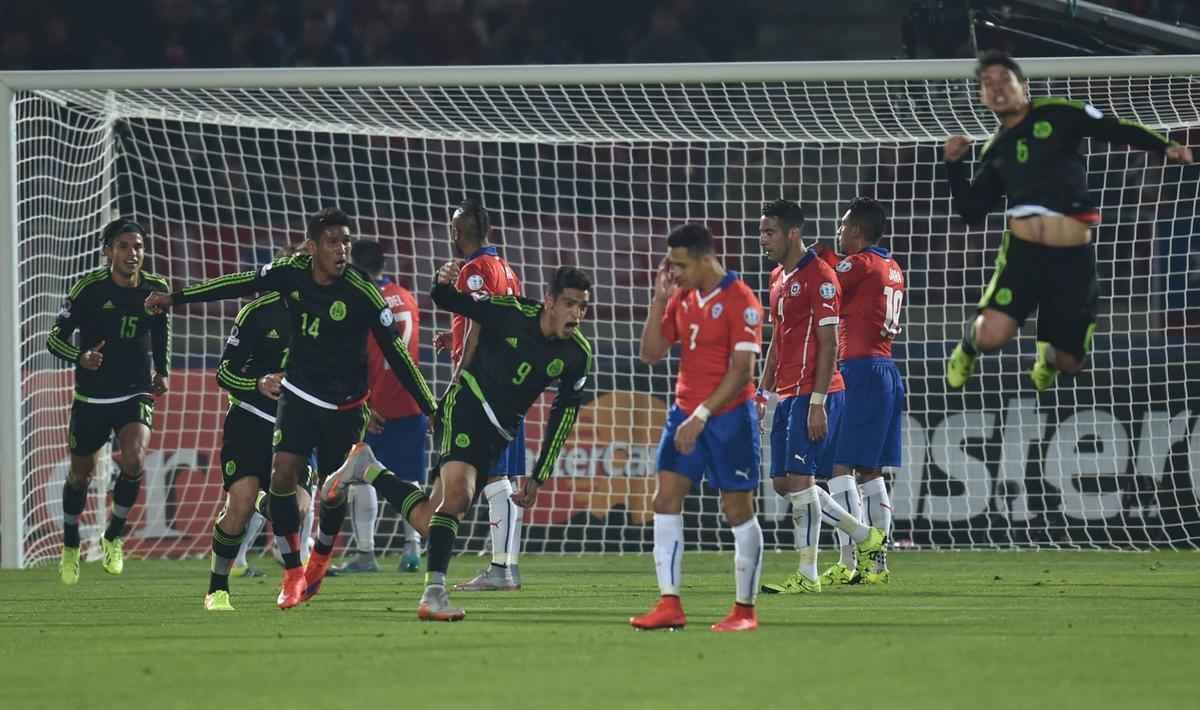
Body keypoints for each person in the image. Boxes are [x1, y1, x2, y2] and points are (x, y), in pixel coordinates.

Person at [145, 208, 437, 609]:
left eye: (347, 241)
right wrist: (176, 298)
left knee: (332, 493)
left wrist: (430, 406)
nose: (343, 249)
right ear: (313, 248)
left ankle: (320, 556)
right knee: (277, 476)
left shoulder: (362, 291)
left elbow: (397, 356)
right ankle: (285, 574)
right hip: (290, 402)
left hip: (345, 406)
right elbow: (237, 284)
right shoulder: (284, 282)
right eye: (333, 242)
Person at [318, 264, 593, 621]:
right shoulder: (510, 312)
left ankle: (367, 468)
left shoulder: (577, 354)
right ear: (550, 302)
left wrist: (540, 474)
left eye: (583, 307)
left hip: (498, 434)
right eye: (570, 304)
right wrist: (441, 283)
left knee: (429, 522)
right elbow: (451, 301)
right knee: (459, 497)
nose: (577, 314)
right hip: (465, 407)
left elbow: (563, 415)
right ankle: (434, 594)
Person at [944, 50, 1194, 392]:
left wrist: (1163, 145)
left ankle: (1047, 357)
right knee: (990, 337)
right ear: (982, 97)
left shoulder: (1059, 112)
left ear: (1024, 86)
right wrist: (953, 165)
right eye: (988, 83)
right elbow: (972, 212)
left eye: (1005, 79)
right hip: (1023, 256)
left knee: (1069, 363)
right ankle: (966, 349)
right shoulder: (995, 149)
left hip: (1072, 259)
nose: (997, 88)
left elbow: (1112, 128)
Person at [631, 223, 764, 632]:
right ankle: (669, 603)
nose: (674, 272)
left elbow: (743, 371)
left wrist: (702, 415)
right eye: (670, 265)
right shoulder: (682, 297)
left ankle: (744, 612)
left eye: (680, 264)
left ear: (706, 259)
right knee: (664, 499)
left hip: (729, 419)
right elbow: (650, 353)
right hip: (684, 412)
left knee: (737, 509)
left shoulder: (742, 300)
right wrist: (659, 299)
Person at [753, 201, 885, 596]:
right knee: (783, 484)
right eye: (761, 232)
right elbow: (777, 340)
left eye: (769, 232)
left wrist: (817, 402)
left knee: (801, 480)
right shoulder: (778, 277)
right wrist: (763, 392)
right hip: (787, 392)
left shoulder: (822, 277)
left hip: (815, 393)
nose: (763, 240)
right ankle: (865, 536)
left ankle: (807, 574)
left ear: (792, 233)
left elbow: (829, 344)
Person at [48, 218, 170, 585]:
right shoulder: (89, 289)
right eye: (124, 246)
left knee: (134, 459)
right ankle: (71, 545)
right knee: (80, 475)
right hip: (92, 395)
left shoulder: (156, 288)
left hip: (135, 390)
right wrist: (80, 356)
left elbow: (162, 331)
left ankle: (113, 536)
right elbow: (54, 339)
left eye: (138, 247)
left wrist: (163, 370)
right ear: (108, 251)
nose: (133, 253)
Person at [439, 198, 528, 592]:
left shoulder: (473, 270)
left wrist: (459, 375)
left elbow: (479, 324)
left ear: (457, 232)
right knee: (497, 474)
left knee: (493, 475)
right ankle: (505, 567)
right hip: (506, 380)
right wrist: (454, 338)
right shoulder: (506, 268)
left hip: (484, 383)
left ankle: (501, 570)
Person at [206, 285, 314, 610]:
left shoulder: (328, 311)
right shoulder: (257, 313)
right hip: (250, 420)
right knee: (239, 508)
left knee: (298, 508)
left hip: (297, 422)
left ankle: (291, 572)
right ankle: (217, 588)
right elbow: (223, 373)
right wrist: (258, 382)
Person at [816, 198, 904, 586]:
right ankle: (876, 565)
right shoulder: (892, 266)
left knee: (839, 465)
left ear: (856, 230)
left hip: (859, 370)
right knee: (870, 471)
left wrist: (815, 257)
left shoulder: (861, 264)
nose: (838, 231)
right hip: (885, 369)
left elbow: (826, 283)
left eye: (842, 225)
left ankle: (849, 560)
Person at [332, 239, 425, 574]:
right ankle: (412, 550)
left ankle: (366, 554)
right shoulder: (407, 297)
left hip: (375, 404)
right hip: (411, 402)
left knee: (360, 476)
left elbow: (359, 356)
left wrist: (362, 402)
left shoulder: (362, 298)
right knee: (410, 478)